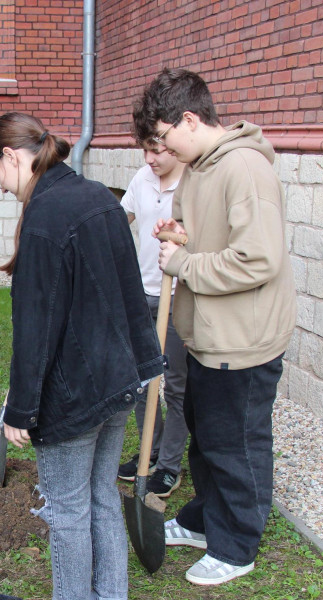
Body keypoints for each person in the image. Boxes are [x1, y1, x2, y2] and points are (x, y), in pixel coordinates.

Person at [0, 113, 164, 600]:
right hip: (118, 379)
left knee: (65, 508)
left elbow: (35, 326)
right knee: (102, 495)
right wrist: (145, 363)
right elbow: (131, 286)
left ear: (14, 156)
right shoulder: (98, 197)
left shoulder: (42, 219)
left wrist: (21, 409)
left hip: (73, 392)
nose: (0, 184)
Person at [134, 68, 296, 586]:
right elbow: (207, 235)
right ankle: (208, 520)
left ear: (188, 119)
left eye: (162, 136)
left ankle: (237, 544)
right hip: (205, 336)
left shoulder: (245, 169)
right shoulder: (200, 166)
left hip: (241, 341)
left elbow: (258, 259)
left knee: (237, 445)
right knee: (205, 440)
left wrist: (184, 264)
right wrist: (180, 233)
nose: (161, 147)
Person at [116, 139, 190, 498]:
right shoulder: (143, 178)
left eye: (157, 150)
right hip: (142, 293)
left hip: (178, 297)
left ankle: (170, 466)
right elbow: (120, 219)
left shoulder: (192, 182)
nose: (149, 159)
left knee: (176, 385)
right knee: (143, 380)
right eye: (145, 151)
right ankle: (151, 449)